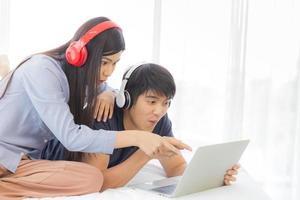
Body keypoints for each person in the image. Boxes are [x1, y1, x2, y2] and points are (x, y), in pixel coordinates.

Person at [0, 17, 190, 199]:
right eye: (104, 62)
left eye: (115, 63)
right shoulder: (42, 70)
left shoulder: (85, 79)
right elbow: (72, 137)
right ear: (78, 54)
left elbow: (116, 91)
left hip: (21, 162)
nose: (109, 72)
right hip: (4, 155)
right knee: (94, 177)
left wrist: (110, 93)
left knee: (91, 179)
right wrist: (140, 139)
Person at [42, 63, 239, 191]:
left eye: (166, 102)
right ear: (126, 99)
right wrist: (147, 153)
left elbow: (176, 166)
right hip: (44, 161)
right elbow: (99, 182)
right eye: (151, 101)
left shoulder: (159, 120)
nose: (159, 110)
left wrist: (211, 178)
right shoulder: (104, 118)